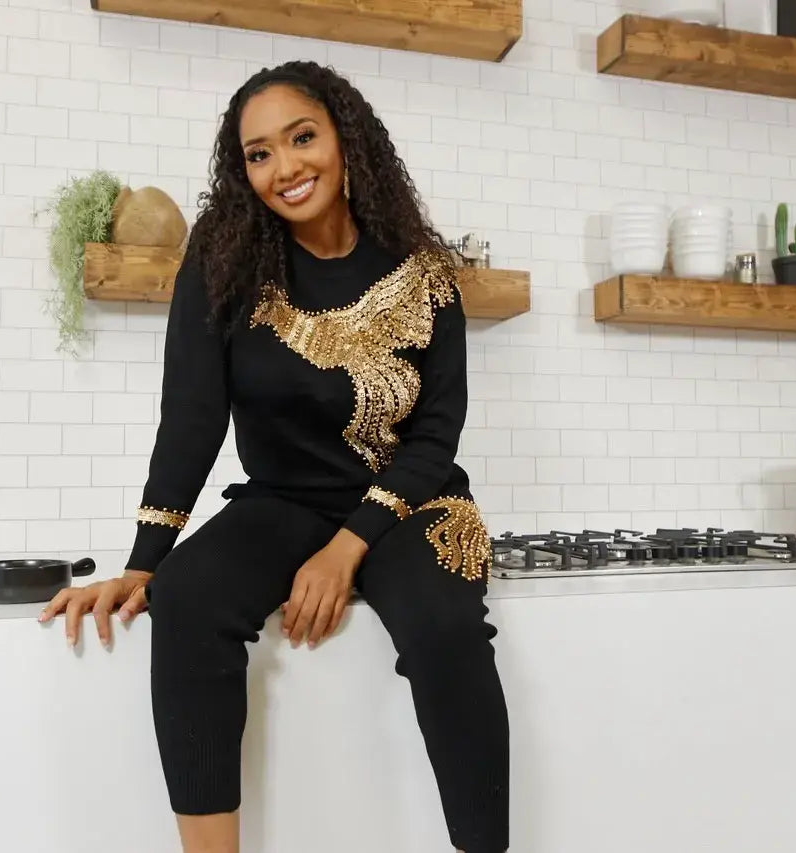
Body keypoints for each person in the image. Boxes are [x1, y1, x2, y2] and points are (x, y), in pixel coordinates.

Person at [38, 60, 509, 853]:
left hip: (410, 501)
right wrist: (145, 561)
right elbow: (190, 420)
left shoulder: (424, 276)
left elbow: (435, 435)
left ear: (344, 138)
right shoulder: (223, 265)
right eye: (260, 154)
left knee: (444, 627)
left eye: (302, 138)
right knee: (186, 597)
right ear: (243, 169)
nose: (285, 167)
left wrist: (346, 547)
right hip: (285, 501)